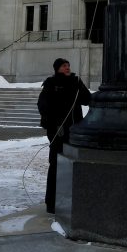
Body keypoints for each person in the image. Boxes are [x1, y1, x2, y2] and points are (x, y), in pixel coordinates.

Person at [37, 57, 91, 215]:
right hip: (57, 130)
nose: (67, 68)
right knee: (55, 164)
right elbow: (43, 105)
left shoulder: (75, 81)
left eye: (68, 65)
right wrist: (53, 123)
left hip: (74, 131)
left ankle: (72, 200)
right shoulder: (51, 83)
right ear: (57, 68)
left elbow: (87, 100)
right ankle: (52, 202)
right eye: (63, 66)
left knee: (74, 164)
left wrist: (79, 85)